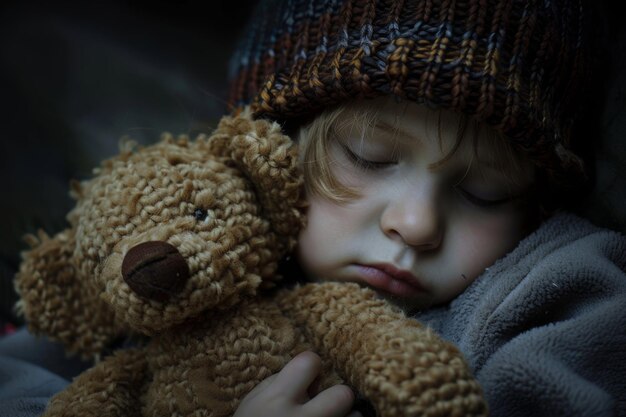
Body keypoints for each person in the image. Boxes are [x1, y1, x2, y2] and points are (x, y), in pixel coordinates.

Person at [227, 0, 626, 416]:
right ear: (269, 145)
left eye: (483, 192)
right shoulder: (194, 268)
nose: (416, 225)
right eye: (369, 157)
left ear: (536, 206)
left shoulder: (559, 298)